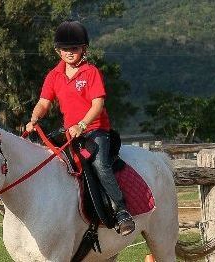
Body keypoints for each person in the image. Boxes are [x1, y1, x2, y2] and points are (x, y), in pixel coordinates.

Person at [26, 20, 135, 236]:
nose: (69, 53)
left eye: (74, 48)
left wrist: (83, 124)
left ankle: (122, 210)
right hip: (70, 133)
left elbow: (98, 104)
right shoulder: (53, 75)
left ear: (83, 49)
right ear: (58, 51)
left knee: (100, 164)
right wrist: (35, 118)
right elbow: (44, 102)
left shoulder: (91, 72)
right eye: (65, 49)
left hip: (95, 131)